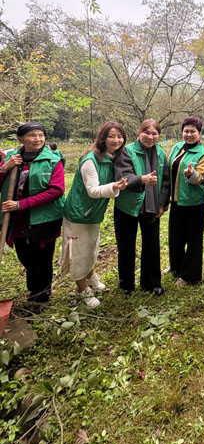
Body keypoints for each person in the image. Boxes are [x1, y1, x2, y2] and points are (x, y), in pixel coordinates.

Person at [61, 121, 128, 307]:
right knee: (79, 252)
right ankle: (82, 290)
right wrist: (115, 186)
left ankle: (90, 278)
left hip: (93, 213)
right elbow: (92, 190)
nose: (116, 140)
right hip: (79, 214)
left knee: (91, 247)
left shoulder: (111, 157)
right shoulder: (91, 160)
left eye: (120, 136)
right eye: (111, 136)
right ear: (103, 138)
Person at [0, 122, 65, 307]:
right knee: (25, 255)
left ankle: (41, 296)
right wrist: (4, 169)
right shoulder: (10, 158)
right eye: (32, 135)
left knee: (42, 258)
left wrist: (21, 204)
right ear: (20, 139)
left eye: (40, 135)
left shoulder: (52, 160)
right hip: (17, 220)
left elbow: (56, 190)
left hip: (44, 218)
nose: (37, 139)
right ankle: (34, 289)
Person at [114, 119, 170, 296]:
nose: (150, 137)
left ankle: (152, 283)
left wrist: (162, 203)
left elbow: (166, 180)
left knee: (152, 245)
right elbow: (123, 176)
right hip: (127, 206)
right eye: (147, 133)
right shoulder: (126, 151)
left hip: (152, 205)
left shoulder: (160, 153)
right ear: (139, 133)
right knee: (126, 246)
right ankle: (126, 284)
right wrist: (142, 179)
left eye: (154, 134)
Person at [168, 116, 204, 284]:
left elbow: (200, 178)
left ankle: (190, 276)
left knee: (193, 240)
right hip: (176, 200)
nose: (189, 134)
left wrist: (191, 174)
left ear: (199, 133)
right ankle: (176, 267)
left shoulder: (203, 153)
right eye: (186, 131)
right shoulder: (177, 147)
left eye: (193, 131)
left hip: (194, 203)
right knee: (175, 237)